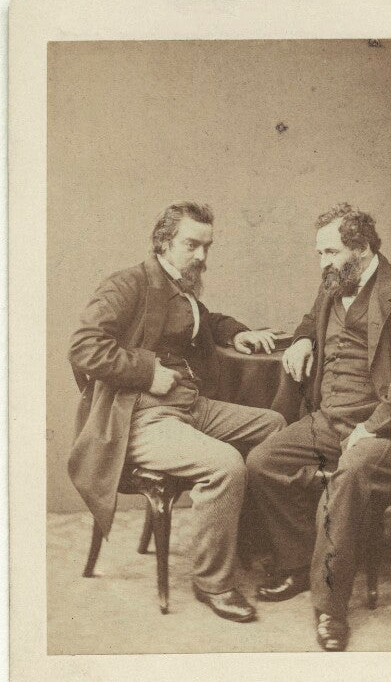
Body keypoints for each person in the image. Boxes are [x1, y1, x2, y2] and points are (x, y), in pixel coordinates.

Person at [68, 202, 286, 623]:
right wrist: (148, 373)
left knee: (273, 426)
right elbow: (84, 346)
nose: (201, 256)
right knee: (224, 464)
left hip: (189, 405)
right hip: (140, 416)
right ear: (164, 242)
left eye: (207, 246)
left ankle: (248, 540)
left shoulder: (180, 286)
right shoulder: (128, 284)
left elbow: (204, 321)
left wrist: (237, 334)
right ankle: (213, 583)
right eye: (192, 245)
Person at [246, 202, 391, 650]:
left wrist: (373, 426)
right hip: (329, 419)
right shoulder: (336, 282)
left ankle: (330, 608)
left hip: (387, 429)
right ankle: (298, 563)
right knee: (263, 461)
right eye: (319, 253)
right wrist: (302, 339)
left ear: (362, 246)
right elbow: (310, 318)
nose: (323, 262)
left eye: (331, 252)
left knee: (350, 474)